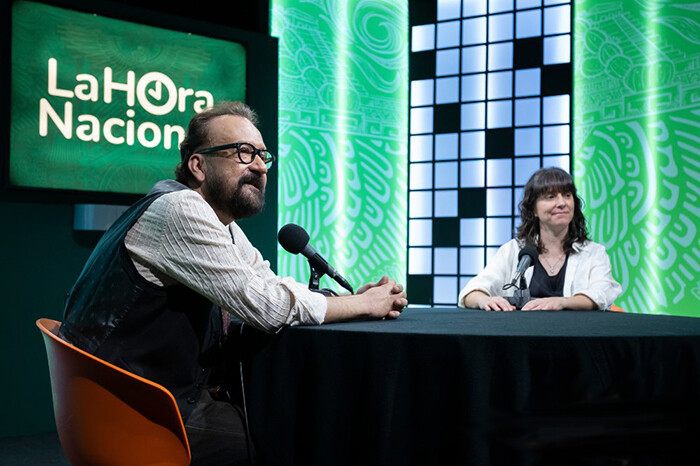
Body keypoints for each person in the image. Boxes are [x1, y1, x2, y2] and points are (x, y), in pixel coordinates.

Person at [60, 101, 407, 466]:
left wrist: (346, 298)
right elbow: (269, 308)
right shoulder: (179, 210)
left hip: (155, 395)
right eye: (243, 152)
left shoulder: (220, 222)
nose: (259, 166)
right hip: (133, 409)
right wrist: (364, 306)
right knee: (289, 433)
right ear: (198, 165)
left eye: (262, 155)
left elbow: (266, 282)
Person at [458, 167, 621, 311]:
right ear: (533, 210)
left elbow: (602, 294)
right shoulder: (514, 250)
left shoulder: (593, 252)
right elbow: (471, 292)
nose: (562, 203)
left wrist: (562, 303)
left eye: (567, 195)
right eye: (550, 197)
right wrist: (485, 300)